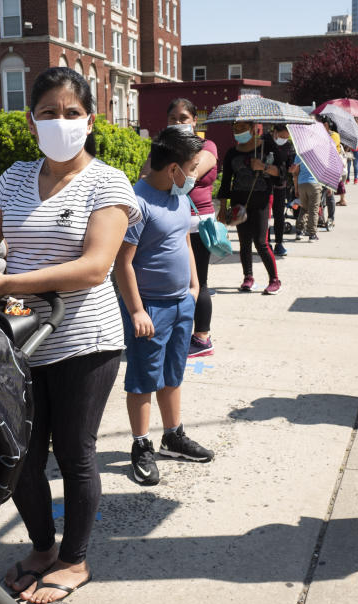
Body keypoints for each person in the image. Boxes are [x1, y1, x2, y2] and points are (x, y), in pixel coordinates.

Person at [0, 67, 140, 604]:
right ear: (31, 120)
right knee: (23, 457)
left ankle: (74, 559)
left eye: (71, 113)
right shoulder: (12, 179)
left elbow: (94, 267)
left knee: (75, 452)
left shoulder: (108, 183)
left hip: (86, 337)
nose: (61, 123)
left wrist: (7, 283)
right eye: (49, 113)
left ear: (90, 120)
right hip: (19, 339)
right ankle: (40, 547)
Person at [115, 127, 214, 487]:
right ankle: (141, 445)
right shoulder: (136, 203)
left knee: (173, 373)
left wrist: (193, 285)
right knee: (143, 379)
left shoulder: (178, 197)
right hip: (149, 308)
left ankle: (173, 435)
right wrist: (138, 311)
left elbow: (184, 240)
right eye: (190, 167)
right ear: (172, 168)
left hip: (179, 304)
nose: (193, 174)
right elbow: (122, 263)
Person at [151, 98, 219, 358]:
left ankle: (202, 338)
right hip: (170, 222)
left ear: (194, 121)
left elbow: (187, 177)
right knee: (173, 282)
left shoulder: (206, 145)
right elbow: (148, 177)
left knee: (198, 281)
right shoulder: (163, 149)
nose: (178, 123)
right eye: (173, 119)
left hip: (197, 223)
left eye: (183, 118)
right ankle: (175, 334)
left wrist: (168, 170)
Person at [217, 121, 283, 295]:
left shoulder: (267, 147)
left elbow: (281, 174)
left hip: (261, 200)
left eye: (243, 127)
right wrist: (223, 208)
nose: (238, 131)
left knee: (261, 241)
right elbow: (225, 183)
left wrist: (264, 167)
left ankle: (274, 280)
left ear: (254, 128)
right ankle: (248, 277)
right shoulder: (232, 153)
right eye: (235, 128)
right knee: (244, 241)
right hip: (239, 201)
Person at [266, 124, 296, 256]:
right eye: (284, 134)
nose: (286, 137)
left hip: (280, 184)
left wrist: (292, 169)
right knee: (265, 216)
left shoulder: (288, 146)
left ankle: (279, 242)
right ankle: (266, 243)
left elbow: (289, 164)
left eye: (288, 135)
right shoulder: (264, 141)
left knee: (279, 215)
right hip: (265, 185)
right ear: (276, 132)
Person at [289, 155, 321, 242]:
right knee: (313, 210)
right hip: (314, 184)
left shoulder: (299, 154)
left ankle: (299, 231)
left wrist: (296, 189)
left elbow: (295, 173)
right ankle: (312, 234)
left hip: (301, 184)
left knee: (303, 208)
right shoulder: (319, 154)